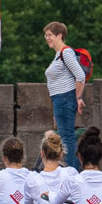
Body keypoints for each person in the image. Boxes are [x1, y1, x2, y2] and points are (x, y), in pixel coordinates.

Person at [42, 21, 86, 160]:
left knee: (67, 139)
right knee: (65, 137)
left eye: (49, 35)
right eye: (45, 35)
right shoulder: (58, 55)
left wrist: (77, 98)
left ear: (59, 35)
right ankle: (70, 170)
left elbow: (80, 76)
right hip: (59, 99)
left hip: (65, 98)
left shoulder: (65, 52)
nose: (47, 38)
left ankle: (72, 172)